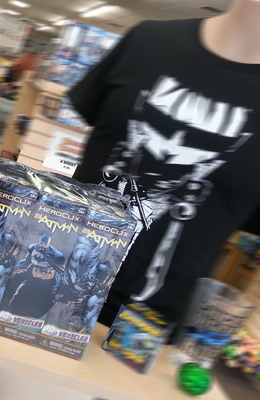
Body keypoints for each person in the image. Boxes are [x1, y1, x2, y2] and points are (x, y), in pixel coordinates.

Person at [68, 0, 260, 328]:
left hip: (144, 333)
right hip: (52, 284)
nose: (170, 151)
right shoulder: (148, 41)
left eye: (193, 146)